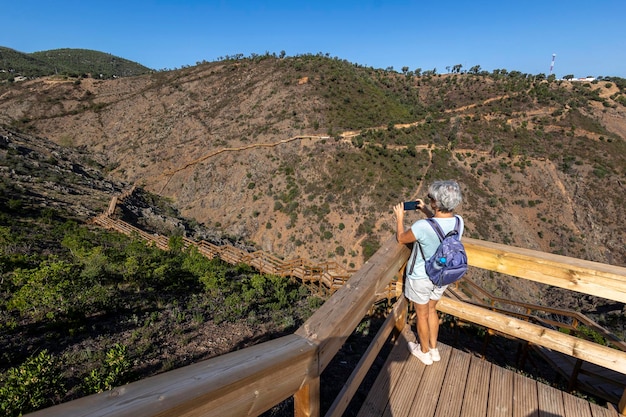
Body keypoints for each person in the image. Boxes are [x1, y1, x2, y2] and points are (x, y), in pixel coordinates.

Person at [392, 180, 464, 365]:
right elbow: (440, 225)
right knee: (432, 310)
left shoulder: (422, 226)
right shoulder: (458, 222)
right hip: (442, 276)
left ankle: (423, 352)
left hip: (421, 277)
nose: (429, 199)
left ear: (436, 203)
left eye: (430, 197)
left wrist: (399, 218)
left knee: (422, 315)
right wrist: (425, 210)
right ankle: (434, 348)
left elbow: (401, 238)